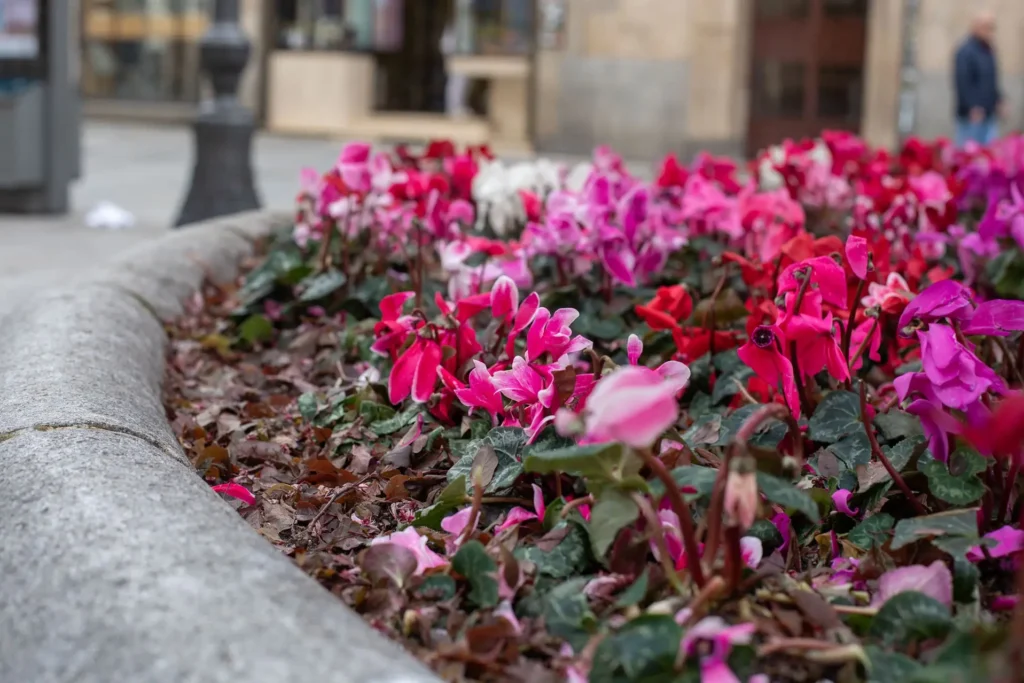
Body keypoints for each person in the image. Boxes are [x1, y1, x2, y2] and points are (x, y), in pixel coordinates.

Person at [954, 10, 1004, 146]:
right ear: (975, 27)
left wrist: (999, 99)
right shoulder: (966, 51)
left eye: (992, 27)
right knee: (968, 155)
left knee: (989, 156)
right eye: (986, 26)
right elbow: (962, 81)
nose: (989, 31)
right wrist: (972, 106)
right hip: (972, 116)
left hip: (989, 113)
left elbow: (992, 80)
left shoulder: (988, 50)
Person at [440, 19, 469, 117]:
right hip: (456, 59)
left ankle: (456, 108)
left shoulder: (462, 28)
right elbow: (445, 46)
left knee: (462, 82)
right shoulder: (452, 29)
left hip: (462, 59)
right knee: (456, 82)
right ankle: (454, 109)